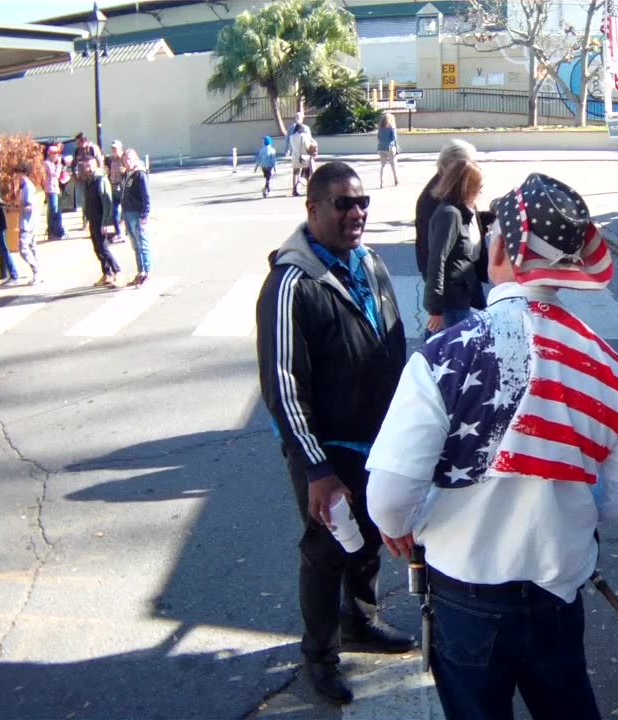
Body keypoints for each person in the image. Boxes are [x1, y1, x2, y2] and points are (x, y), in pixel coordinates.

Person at [366, 172, 618, 720]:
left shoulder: (443, 356)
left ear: (500, 249)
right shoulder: (610, 370)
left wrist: (401, 522)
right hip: (558, 593)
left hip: (466, 593)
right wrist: (568, 508)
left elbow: (388, 496)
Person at [255, 161, 416, 706]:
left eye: (362, 202)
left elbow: (393, 343)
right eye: (343, 203)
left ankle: (360, 621)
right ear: (314, 209)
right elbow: (282, 385)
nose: (356, 213)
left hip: (382, 442)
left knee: (370, 539)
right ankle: (320, 655)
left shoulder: (369, 263)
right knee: (326, 551)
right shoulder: (290, 283)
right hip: (328, 452)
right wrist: (317, 471)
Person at [424, 160, 486, 335]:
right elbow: (437, 261)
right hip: (451, 303)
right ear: (467, 186)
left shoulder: (463, 211)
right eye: (479, 186)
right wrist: (435, 309)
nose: (481, 191)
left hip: (463, 296)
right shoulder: (450, 214)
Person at [416, 140, 476, 272]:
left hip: (462, 271)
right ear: (453, 165)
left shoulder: (455, 185)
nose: (474, 168)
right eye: (470, 163)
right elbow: (436, 256)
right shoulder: (436, 196)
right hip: (450, 278)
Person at [83, 158, 121, 287]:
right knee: (97, 248)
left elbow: (107, 201)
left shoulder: (100, 179)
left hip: (101, 219)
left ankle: (117, 271)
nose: (87, 169)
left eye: (89, 166)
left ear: (95, 165)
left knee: (103, 248)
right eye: (85, 166)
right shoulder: (89, 180)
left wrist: (106, 222)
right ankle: (107, 274)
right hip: (93, 218)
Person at [122, 148, 153, 288]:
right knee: (135, 245)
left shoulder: (140, 174)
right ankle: (140, 272)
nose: (127, 162)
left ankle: (147, 273)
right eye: (125, 159)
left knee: (143, 244)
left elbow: (146, 196)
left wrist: (145, 215)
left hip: (138, 213)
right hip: (128, 213)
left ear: (135, 159)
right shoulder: (128, 174)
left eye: (129, 159)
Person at [12, 163, 43, 285]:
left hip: (28, 222)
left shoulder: (28, 187)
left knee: (23, 248)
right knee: (32, 246)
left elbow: (29, 206)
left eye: (18, 173)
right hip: (30, 221)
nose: (17, 175)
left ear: (23, 173)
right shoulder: (24, 185)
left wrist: (17, 209)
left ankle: (36, 269)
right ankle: (38, 272)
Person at [44, 145, 68, 240]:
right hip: (50, 189)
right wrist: (58, 165)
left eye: (57, 154)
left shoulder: (54, 164)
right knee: (53, 209)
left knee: (57, 210)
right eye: (54, 154)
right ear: (49, 154)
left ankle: (56, 230)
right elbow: (55, 174)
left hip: (56, 189)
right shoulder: (47, 163)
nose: (56, 156)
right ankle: (51, 230)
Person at [107, 140, 126, 243]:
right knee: (114, 211)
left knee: (125, 211)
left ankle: (123, 231)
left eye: (116, 149)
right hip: (114, 187)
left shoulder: (124, 159)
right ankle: (119, 232)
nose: (114, 150)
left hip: (122, 187)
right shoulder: (111, 160)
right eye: (113, 149)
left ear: (120, 148)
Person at [376, 113, 400, 188]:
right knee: (394, 165)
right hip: (390, 147)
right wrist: (396, 148)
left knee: (383, 166)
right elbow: (394, 139)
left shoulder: (380, 128)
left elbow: (379, 138)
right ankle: (396, 180)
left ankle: (382, 183)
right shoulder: (392, 128)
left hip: (381, 148)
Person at [289, 125, 312, 197]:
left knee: (295, 173)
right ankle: (308, 190)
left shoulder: (291, 137)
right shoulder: (305, 136)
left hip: (295, 157)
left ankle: (294, 189)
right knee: (306, 173)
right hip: (304, 157)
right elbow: (307, 146)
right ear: (300, 129)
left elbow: (292, 146)